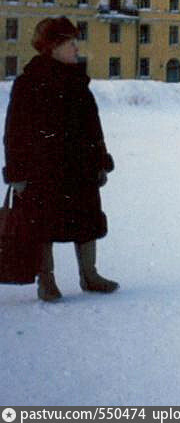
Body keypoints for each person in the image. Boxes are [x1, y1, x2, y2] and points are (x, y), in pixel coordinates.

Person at [2, 17, 119, 301]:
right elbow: (14, 131)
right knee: (42, 225)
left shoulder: (79, 81)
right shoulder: (29, 83)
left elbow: (93, 126)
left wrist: (100, 161)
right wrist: (17, 173)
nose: (76, 47)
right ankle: (47, 280)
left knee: (87, 219)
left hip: (80, 167)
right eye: (70, 42)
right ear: (53, 47)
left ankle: (89, 275)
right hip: (44, 169)